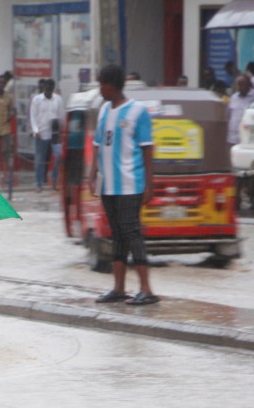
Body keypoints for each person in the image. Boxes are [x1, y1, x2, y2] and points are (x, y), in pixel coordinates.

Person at [89, 64, 158, 306]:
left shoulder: (138, 111)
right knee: (117, 235)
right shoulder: (104, 110)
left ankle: (147, 289)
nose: (100, 89)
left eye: (101, 84)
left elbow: (147, 149)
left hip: (131, 185)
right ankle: (118, 288)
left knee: (133, 234)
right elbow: (99, 145)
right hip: (108, 186)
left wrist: (149, 184)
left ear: (112, 85)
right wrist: (93, 175)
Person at [227, 74, 254, 211]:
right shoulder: (233, 98)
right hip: (233, 140)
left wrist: (251, 76)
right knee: (236, 174)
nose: (240, 87)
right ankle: (236, 201)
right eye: (239, 84)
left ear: (249, 86)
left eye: (243, 84)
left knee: (251, 172)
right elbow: (229, 116)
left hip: (248, 142)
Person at [29, 78, 64, 192]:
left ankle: (54, 181)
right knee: (40, 159)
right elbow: (33, 116)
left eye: (50, 89)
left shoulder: (58, 99)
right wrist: (35, 130)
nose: (48, 90)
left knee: (58, 156)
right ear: (44, 88)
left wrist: (61, 132)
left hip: (54, 134)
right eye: (47, 88)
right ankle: (39, 184)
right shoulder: (37, 100)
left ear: (53, 88)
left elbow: (61, 116)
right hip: (41, 134)